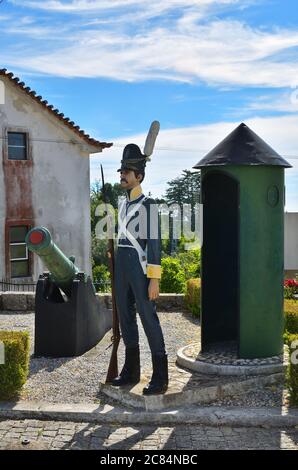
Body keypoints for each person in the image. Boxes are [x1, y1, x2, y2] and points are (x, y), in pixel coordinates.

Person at [111, 143, 168, 395]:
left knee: (148, 318)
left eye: (127, 171)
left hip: (140, 267)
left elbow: (154, 245)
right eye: (122, 171)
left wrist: (154, 280)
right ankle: (131, 371)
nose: (122, 175)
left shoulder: (149, 205)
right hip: (122, 265)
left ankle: (160, 376)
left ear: (139, 177)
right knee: (125, 316)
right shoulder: (122, 205)